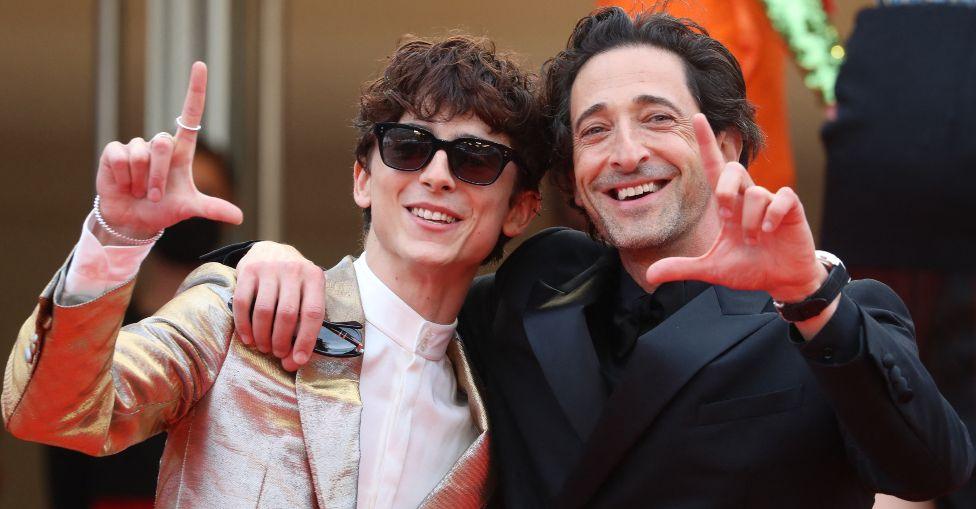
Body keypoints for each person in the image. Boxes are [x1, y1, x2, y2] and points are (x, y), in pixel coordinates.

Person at [225, 7, 974, 508]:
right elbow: (403, 303)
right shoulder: (525, 293)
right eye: (594, 130)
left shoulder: (827, 311)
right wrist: (261, 261)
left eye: (657, 119)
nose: (625, 154)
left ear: (732, 146)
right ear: (572, 181)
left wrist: (810, 299)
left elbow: (930, 467)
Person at [2, 34, 545, 508]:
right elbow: (55, 413)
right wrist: (113, 239)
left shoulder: (496, 417)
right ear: (362, 178)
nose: (438, 174)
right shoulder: (240, 311)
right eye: (409, 147)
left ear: (520, 208)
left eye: (475, 158)